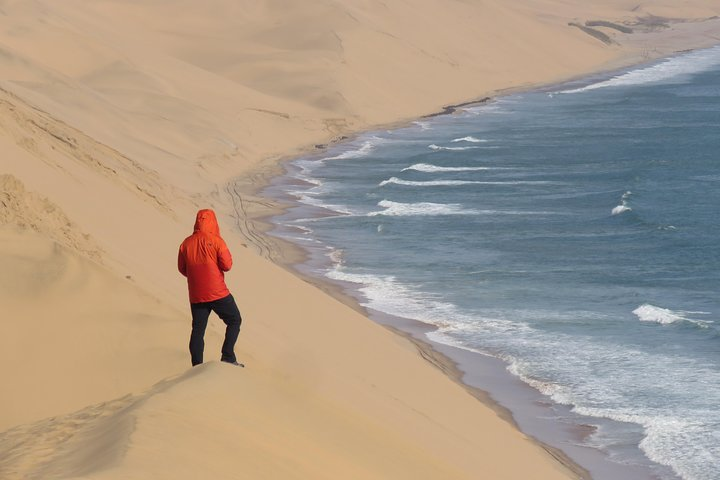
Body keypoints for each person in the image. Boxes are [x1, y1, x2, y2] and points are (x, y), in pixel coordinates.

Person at [178, 209, 243, 367]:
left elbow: (182, 268)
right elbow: (227, 265)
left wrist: (197, 277)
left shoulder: (186, 243)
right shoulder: (216, 241)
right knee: (235, 320)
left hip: (196, 293)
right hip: (217, 291)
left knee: (198, 329)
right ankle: (228, 356)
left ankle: (196, 366)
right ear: (213, 222)